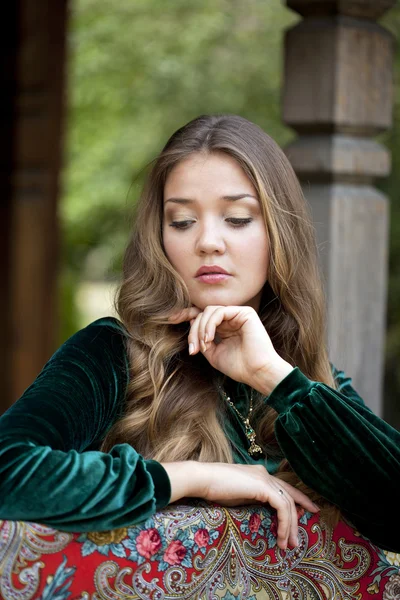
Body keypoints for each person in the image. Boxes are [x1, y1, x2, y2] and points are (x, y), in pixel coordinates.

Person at [0, 114, 399, 554]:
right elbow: (9, 470)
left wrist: (275, 379)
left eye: (237, 218)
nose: (208, 241)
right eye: (183, 221)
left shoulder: (307, 382)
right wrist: (190, 477)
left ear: (279, 234)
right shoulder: (115, 355)